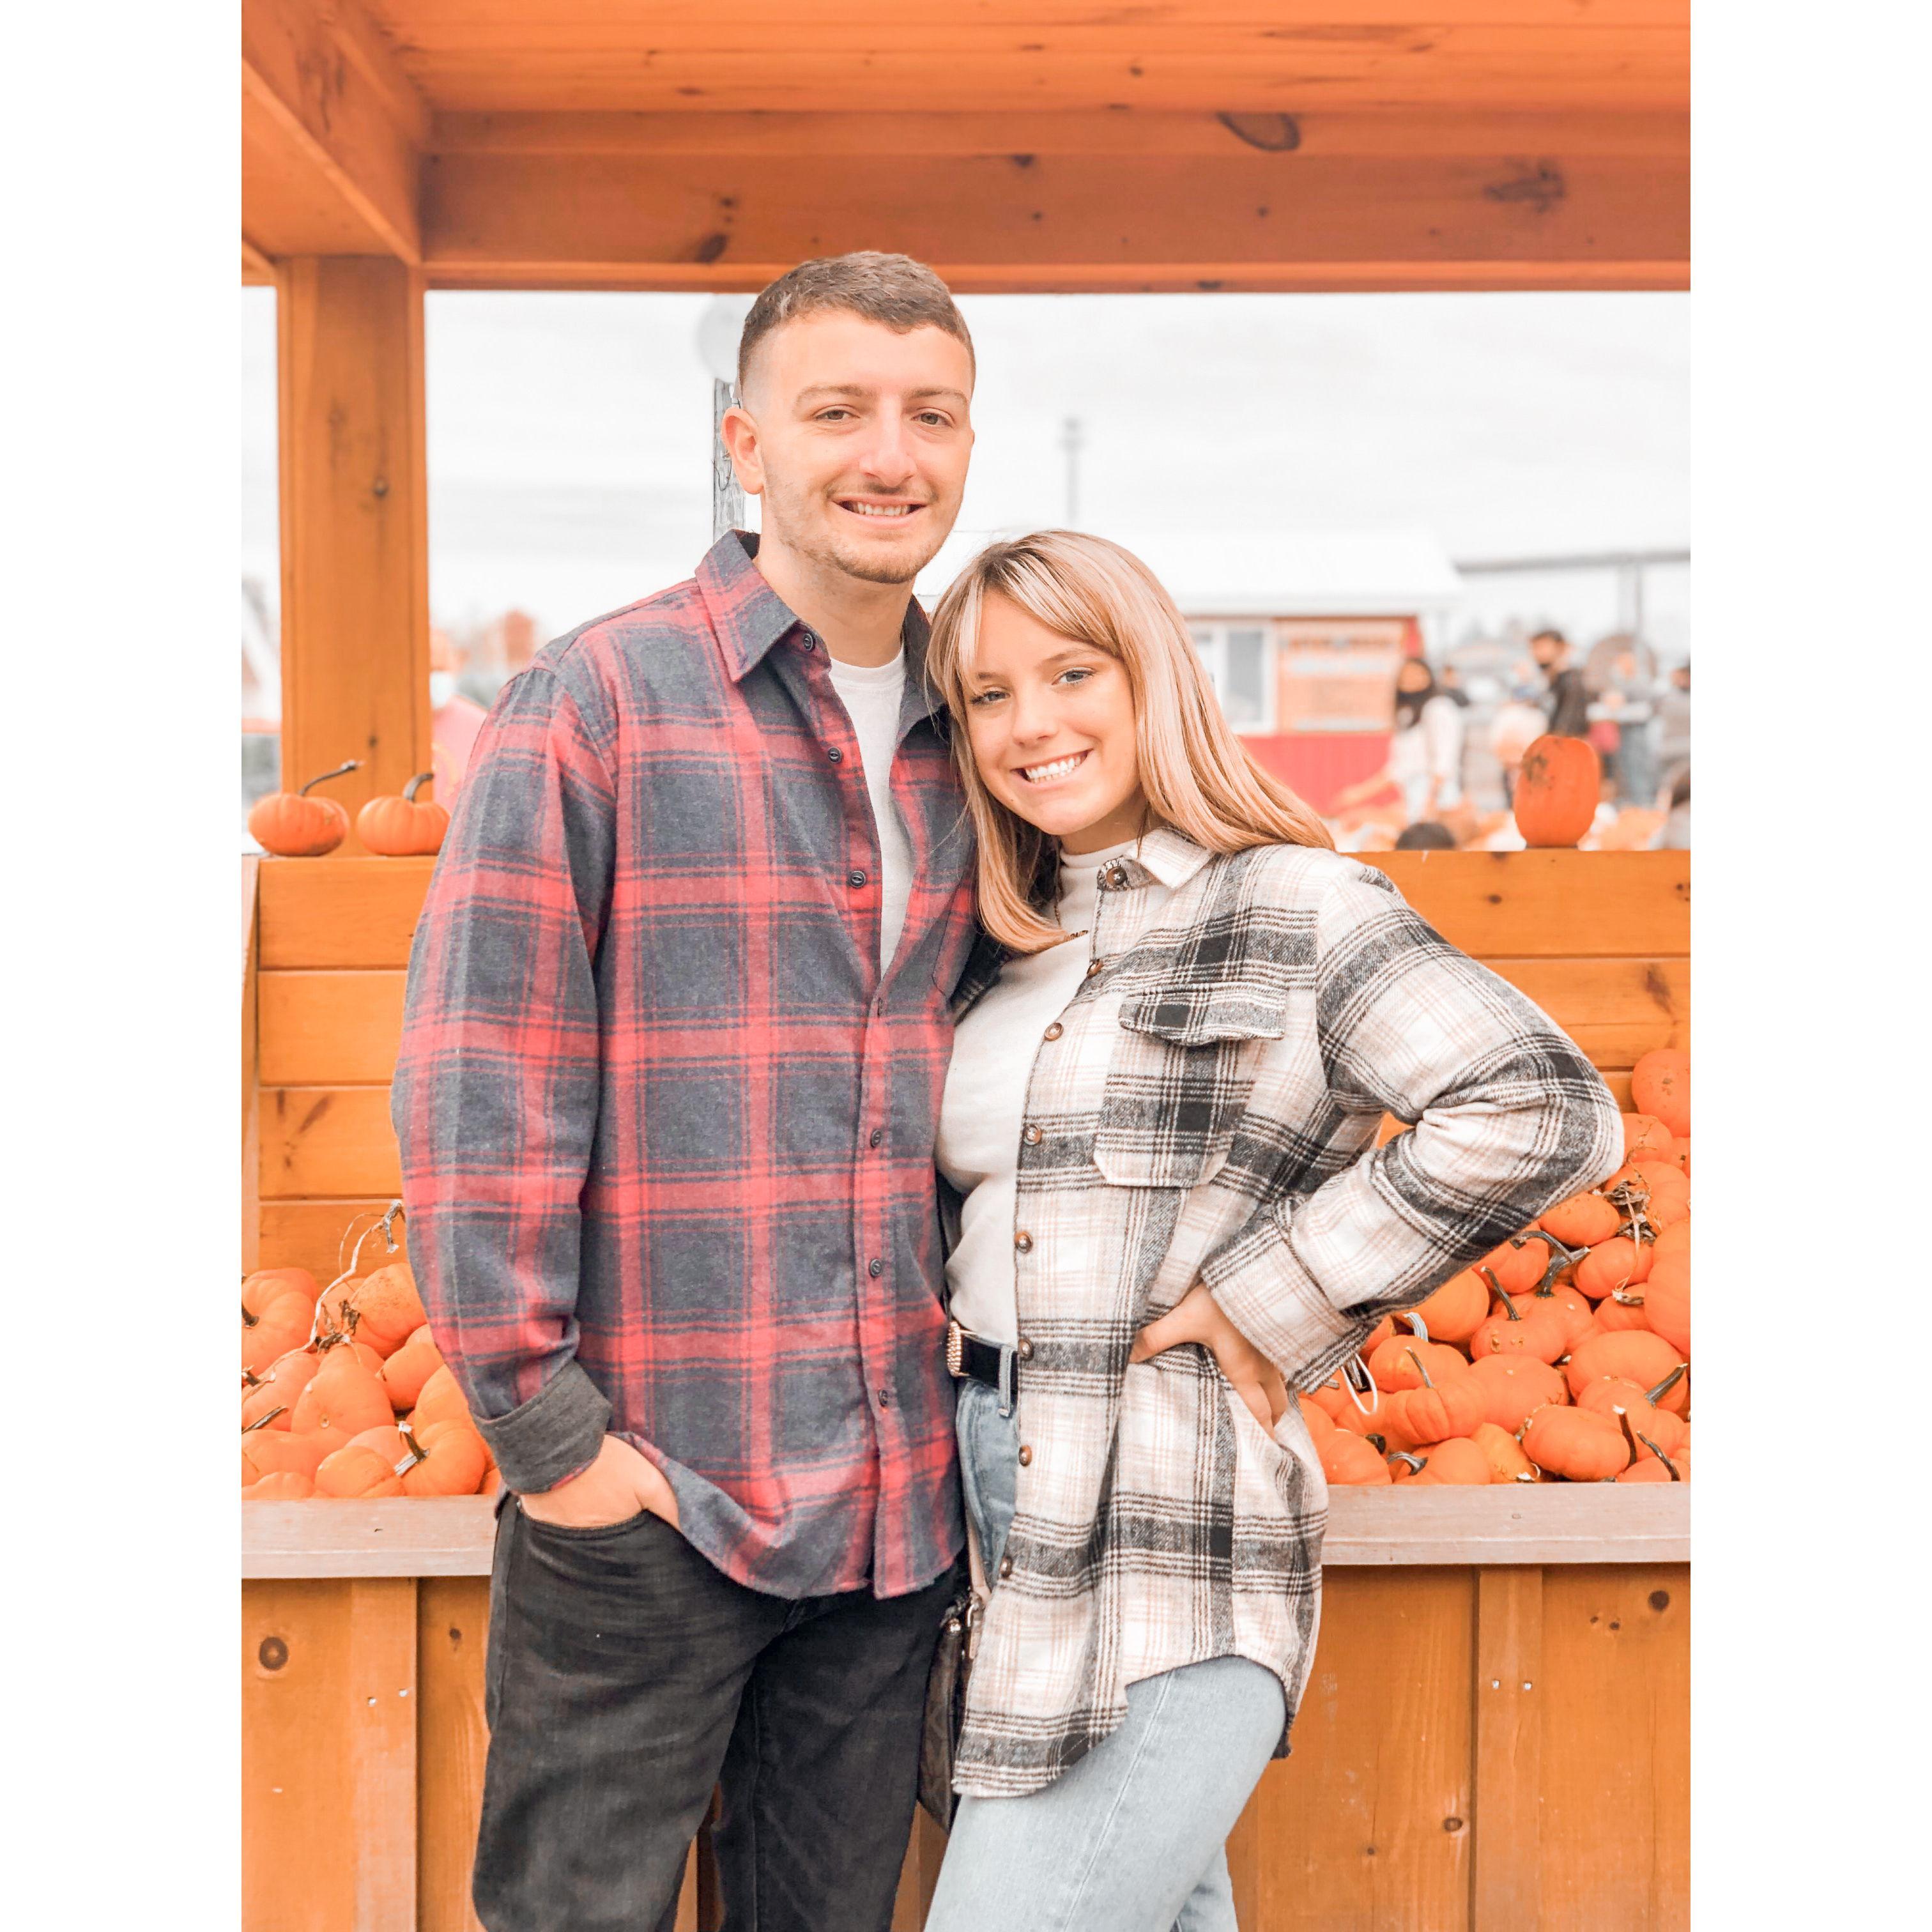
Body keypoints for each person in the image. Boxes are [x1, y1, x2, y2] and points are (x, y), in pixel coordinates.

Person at [392, 252, 982, 1932]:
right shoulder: (600, 701)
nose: (890, 454)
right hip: (652, 1491)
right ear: (747, 444)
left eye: (933, 415)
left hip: (894, 1514)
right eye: (838, 410)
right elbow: (479, 1082)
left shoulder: (989, 731)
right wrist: (551, 1441)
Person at [920, 532, 1621, 1932]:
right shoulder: (1003, 940)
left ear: (1154, 677)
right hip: (998, 1516)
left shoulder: (1297, 902)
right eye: (987, 695)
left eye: (1071, 673)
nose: (1029, 723)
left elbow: (1544, 1106)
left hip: (1166, 1519)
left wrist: (1272, 1293)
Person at [1328, 656, 1464, 826]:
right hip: (1415, 802)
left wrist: (1431, 801)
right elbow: (1398, 769)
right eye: (1406, 675)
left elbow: (1444, 761)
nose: (1412, 678)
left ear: (1429, 676)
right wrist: (1358, 793)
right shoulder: (1406, 716)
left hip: (1438, 804)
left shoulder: (1439, 708)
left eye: (1417, 673)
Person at [1529, 626, 1591, 738]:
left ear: (1561, 648)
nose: (1536, 653)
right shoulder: (1552, 682)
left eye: (1541, 647)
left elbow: (1567, 732)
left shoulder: (1572, 681)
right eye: (1534, 648)